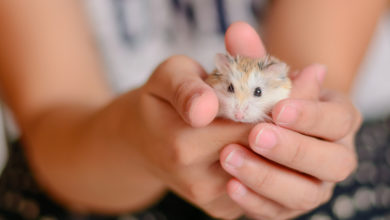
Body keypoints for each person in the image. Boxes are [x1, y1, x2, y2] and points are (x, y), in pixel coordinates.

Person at [0, 0, 387, 219]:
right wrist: (135, 140)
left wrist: (314, 121)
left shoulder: (276, 80)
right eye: (231, 91)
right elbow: (50, 114)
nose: (237, 108)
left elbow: (315, 63)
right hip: (84, 162)